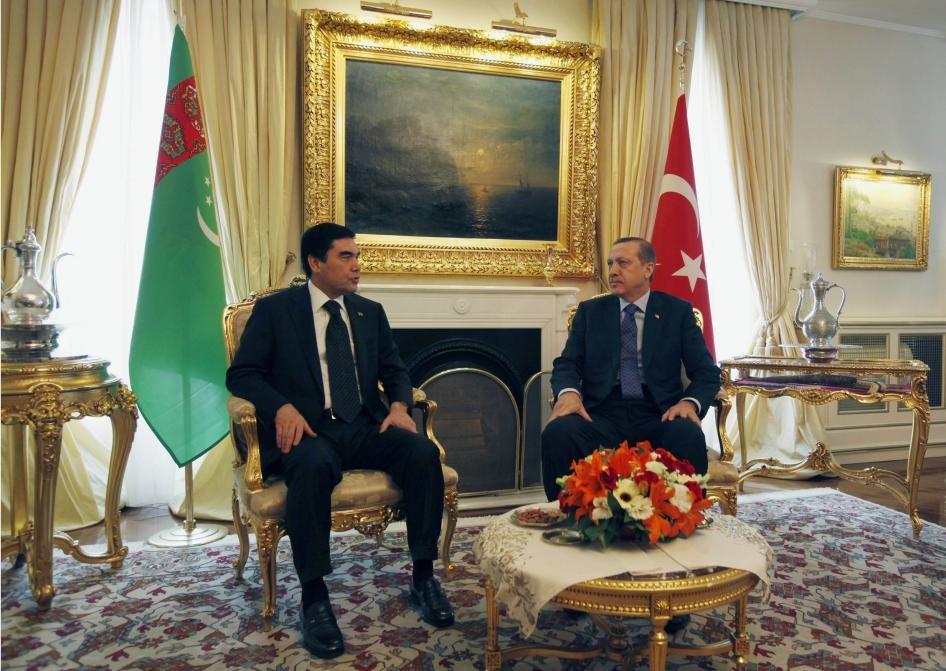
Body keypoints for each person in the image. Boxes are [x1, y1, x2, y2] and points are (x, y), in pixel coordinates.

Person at [226, 223, 454, 659]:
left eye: (356, 255)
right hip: (309, 429)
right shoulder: (277, 312)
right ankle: (314, 598)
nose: (357, 265)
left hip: (365, 425)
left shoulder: (369, 312)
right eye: (346, 256)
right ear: (316, 263)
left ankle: (424, 576)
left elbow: (395, 371)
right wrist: (282, 407)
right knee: (310, 467)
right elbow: (242, 374)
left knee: (422, 453)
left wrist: (400, 407)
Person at [541, 236, 720, 500]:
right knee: (559, 432)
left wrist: (690, 403)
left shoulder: (677, 312)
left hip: (658, 411)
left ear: (648, 269)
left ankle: (685, 517)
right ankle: (567, 511)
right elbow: (567, 363)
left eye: (623, 263)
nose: (613, 271)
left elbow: (706, 371)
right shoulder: (590, 312)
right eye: (611, 263)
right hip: (602, 411)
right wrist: (568, 392)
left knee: (687, 434)